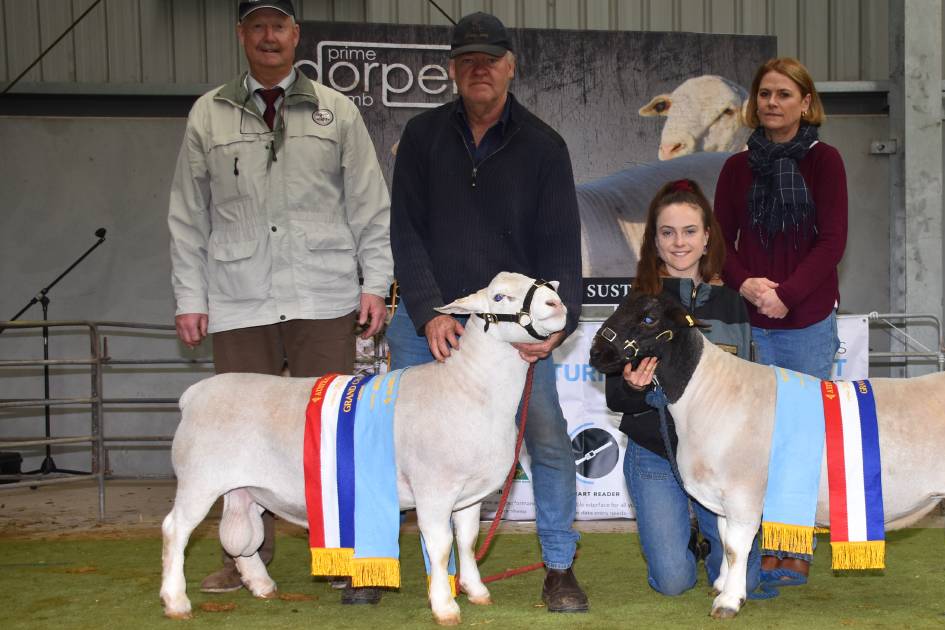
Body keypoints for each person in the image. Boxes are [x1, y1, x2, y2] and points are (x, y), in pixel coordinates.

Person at [167, 0, 392, 605]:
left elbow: (370, 204)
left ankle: (346, 558)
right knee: (234, 434)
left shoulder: (335, 110)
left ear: (296, 35)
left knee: (331, 433)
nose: (269, 36)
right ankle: (242, 557)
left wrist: (376, 283)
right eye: (257, 26)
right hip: (240, 300)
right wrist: (191, 296)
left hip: (323, 295)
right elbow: (188, 216)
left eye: (279, 25)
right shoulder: (207, 115)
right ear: (242, 35)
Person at [386, 12, 588, 613]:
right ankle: (389, 568)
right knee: (390, 446)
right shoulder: (421, 138)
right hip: (431, 326)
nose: (480, 69)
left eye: (490, 59)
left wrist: (559, 326)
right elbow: (406, 232)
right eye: (467, 60)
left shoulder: (545, 146)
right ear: (452, 70)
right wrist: (426, 311)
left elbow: (560, 249)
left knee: (547, 440)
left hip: (510, 335)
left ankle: (558, 566)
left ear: (510, 66)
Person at [713, 57, 848, 582]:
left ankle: (787, 556)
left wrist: (787, 295)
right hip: (746, 321)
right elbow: (720, 241)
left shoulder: (826, 161)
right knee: (746, 440)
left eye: (784, 94)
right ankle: (739, 553)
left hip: (806, 323)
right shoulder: (734, 168)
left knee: (799, 438)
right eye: (765, 93)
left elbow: (832, 241)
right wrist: (746, 284)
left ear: (807, 103)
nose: (772, 102)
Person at [605, 179, 762, 596]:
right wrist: (633, 387)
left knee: (743, 578)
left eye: (690, 231)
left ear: (707, 237)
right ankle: (684, 540)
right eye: (667, 232)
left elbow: (750, 386)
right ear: (654, 241)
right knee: (674, 582)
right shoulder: (636, 303)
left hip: (722, 459)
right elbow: (614, 397)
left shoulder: (732, 304)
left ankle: (707, 536)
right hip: (656, 453)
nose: (679, 243)